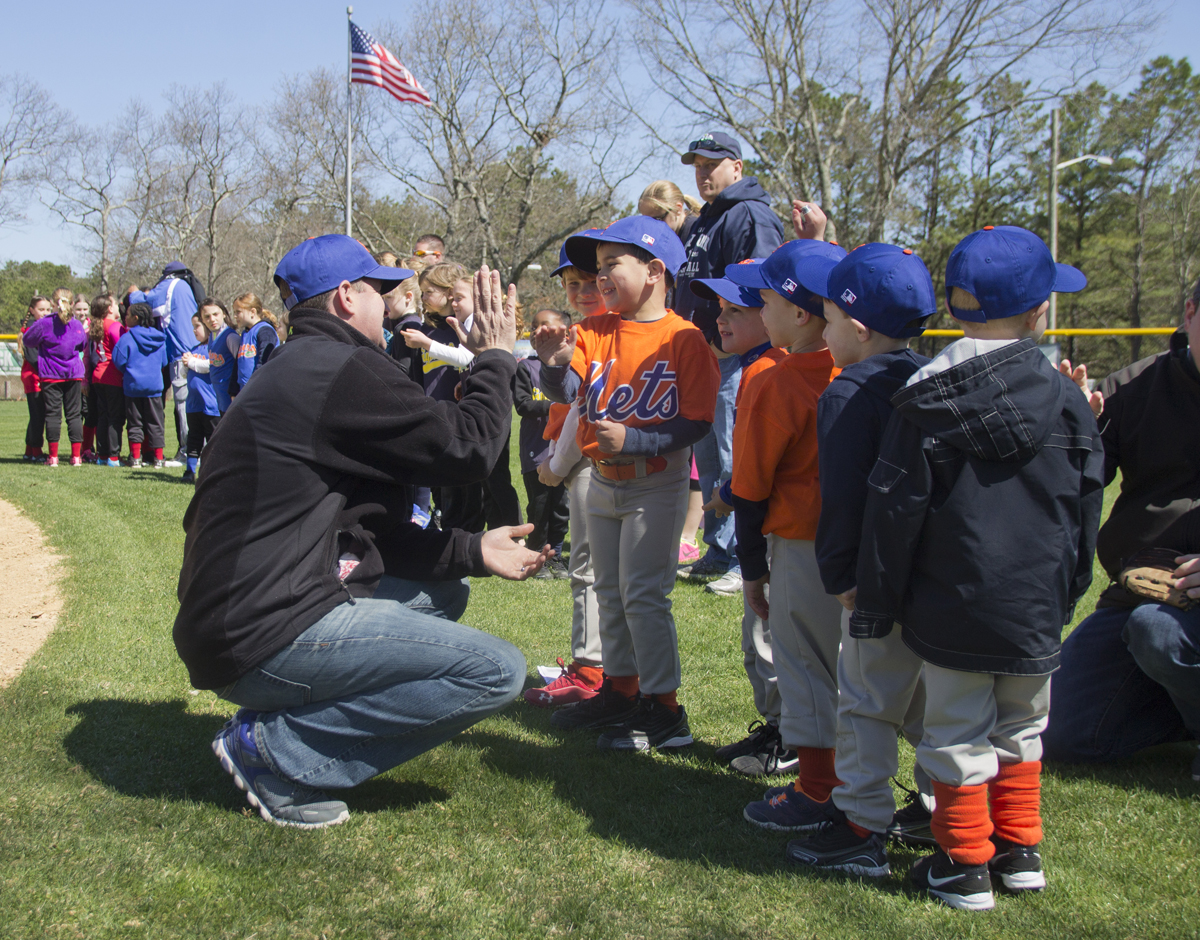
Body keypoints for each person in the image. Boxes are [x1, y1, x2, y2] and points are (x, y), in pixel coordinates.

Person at [175, 234, 547, 829]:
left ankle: (290, 715)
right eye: (379, 288)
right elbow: (468, 448)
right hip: (256, 631)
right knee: (493, 671)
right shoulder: (336, 368)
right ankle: (276, 753)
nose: (392, 299)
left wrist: (473, 548)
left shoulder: (305, 364)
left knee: (444, 594)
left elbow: (372, 532)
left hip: (234, 619)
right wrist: (495, 358)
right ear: (346, 297)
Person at [844, 227, 1101, 910]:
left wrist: (879, 598)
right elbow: (1085, 507)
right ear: (1039, 310)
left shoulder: (924, 396)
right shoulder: (1067, 397)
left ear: (955, 307)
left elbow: (893, 508)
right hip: (1033, 604)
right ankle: (1019, 851)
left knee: (955, 733)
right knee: (1020, 728)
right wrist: (1069, 587)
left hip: (950, 601)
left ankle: (965, 865)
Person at [533, 216, 720, 751]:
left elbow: (699, 420)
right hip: (604, 483)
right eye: (598, 267)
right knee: (609, 592)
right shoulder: (594, 330)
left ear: (656, 269)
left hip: (654, 484)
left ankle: (665, 710)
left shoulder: (682, 337)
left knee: (644, 596)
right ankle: (620, 692)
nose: (601, 277)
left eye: (613, 264)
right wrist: (550, 365)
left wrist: (636, 441)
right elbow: (568, 385)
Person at [781, 243, 937, 877]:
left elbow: (841, 497)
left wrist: (841, 575)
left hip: (874, 577)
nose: (827, 330)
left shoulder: (847, 390)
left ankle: (861, 823)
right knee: (926, 696)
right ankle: (934, 805)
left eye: (831, 318)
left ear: (860, 328)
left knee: (867, 699)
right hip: (932, 572)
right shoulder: (932, 375)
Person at [706, 242, 843, 824]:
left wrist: (753, 568)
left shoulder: (776, 379)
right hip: (863, 544)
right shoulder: (858, 366)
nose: (761, 312)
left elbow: (753, 488)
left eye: (765, 301)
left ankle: (817, 791)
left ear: (802, 314)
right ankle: (882, 790)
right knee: (861, 674)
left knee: (805, 669)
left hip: (800, 544)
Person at [1043, 278, 1200, 781]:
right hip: (1145, 593)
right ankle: (1181, 708)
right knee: (1057, 732)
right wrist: (1063, 426)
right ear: (1191, 310)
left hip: (1161, 624)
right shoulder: (1136, 387)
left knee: (1159, 636)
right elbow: (1065, 490)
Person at [688, 261, 792, 776]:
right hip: (769, 526)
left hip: (777, 531)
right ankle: (781, 728)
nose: (720, 321)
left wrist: (732, 492)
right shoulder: (756, 365)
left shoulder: (769, 369)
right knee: (764, 637)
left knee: (771, 636)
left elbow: (756, 461)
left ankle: (790, 736)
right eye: (720, 310)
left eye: (739, 310)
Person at [675, 132, 786, 592]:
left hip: (731, 356)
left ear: (737, 167)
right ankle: (720, 551)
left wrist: (730, 344)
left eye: (712, 164)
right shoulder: (708, 217)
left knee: (732, 456)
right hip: (704, 354)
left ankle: (746, 558)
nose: (703, 172)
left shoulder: (748, 213)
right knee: (710, 456)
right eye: (697, 165)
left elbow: (760, 284)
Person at [524, 239, 608, 707]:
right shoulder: (582, 330)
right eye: (572, 284)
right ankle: (596, 665)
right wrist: (554, 365)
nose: (580, 292)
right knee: (593, 570)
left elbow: (583, 408)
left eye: (590, 281)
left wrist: (557, 465)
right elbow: (565, 394)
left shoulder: (604, 333)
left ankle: (592, 669)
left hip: (590, 461)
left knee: (592, 570)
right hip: (581, 458)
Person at [513, 309, 572, 580]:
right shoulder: (526, 367)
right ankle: (536, 555)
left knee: (560, 508)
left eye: (546, 327)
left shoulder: (572, 371)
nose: (538, 332)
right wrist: (559, 406)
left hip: (565, 451)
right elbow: (523, 405)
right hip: (536, 450)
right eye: (534, 327)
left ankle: (556, 555)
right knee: (539, 505)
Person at [128, 262, 205, 466]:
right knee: (197, 404)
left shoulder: (171, 285)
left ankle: (189, 452)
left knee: (183, 405)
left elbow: (144, 303)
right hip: (196, 351)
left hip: (182, 355)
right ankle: (197, 451)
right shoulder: (186, 287)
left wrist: (134, 293)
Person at [22, 292, 87, 467]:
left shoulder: (44, 323)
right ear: (71, 303)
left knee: (53, 415)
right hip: (73, 374)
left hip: (51, 375)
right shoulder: (76, 324)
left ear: (53, 303)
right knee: (74, 415)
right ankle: (76, 457)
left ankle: (53, 457)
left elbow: (28, 340)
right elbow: (82, 344)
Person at [112, 303, 168, 468]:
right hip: (154, 386)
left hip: (133, 386)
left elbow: (118, 360)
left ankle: (136, 457)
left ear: (135, 318)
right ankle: (158, 458)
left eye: (128, 315)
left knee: (135, 422)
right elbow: (164, 361)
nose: (125, 318)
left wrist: (130, 371)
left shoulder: (127, 338)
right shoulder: (159, 338)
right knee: (156, 422)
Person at [180, 313, 221, 484]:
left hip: (210, 405)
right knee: (194, 438)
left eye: (197, 326)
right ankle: (190, 471)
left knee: (212, 438)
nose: (194, 330)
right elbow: (184, 374)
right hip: (193, 405)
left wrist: (191, 362)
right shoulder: (194, 349)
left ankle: (211, 471)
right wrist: (185, 364)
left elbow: (209, 366)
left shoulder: (213, 348)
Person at [87, 293, 126, 467]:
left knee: (102, 416)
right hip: (112, 376)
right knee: (115, 417)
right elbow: (122, 350)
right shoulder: (114, 326)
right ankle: (113, 457)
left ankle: (102, 455)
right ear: (109, 308)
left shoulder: (96, 325)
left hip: (98, 375)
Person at [18, 295, 51, 462]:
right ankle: (37, 452)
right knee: (38, 415)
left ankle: (29, 450)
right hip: (34, 376)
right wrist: (48, 371)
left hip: (36, 375)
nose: (45, 313)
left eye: (47, 309)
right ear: (31, 310)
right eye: (41, 309)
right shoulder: (32, 328)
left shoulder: (41, 326)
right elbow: (32, 357)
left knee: (37, 414)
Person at [230, 293, 279, 398]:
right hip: (244, 392)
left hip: (259, 392)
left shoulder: (265, 330)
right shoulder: (245, 333)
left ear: (252, 312)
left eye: (238, 312)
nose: (235, 316)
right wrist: (233, 391)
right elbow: (238, 363)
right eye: (234, 312)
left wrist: (254, 387)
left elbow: (265, 361)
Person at [200, 300, 239, 416]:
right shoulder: (212, 336)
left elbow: (241, 364)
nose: (212, 319)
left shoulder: (230, 337)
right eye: (207, 316)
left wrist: (235, 392)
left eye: (215, 314)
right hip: (220, 398)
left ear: (224, 314)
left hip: (231, 398)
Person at [638, 180, 702, 249]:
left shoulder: (697, 234)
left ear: (678, 209)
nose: (651, 228)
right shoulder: (667, 239)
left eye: (657, 219)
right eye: (647, 221)